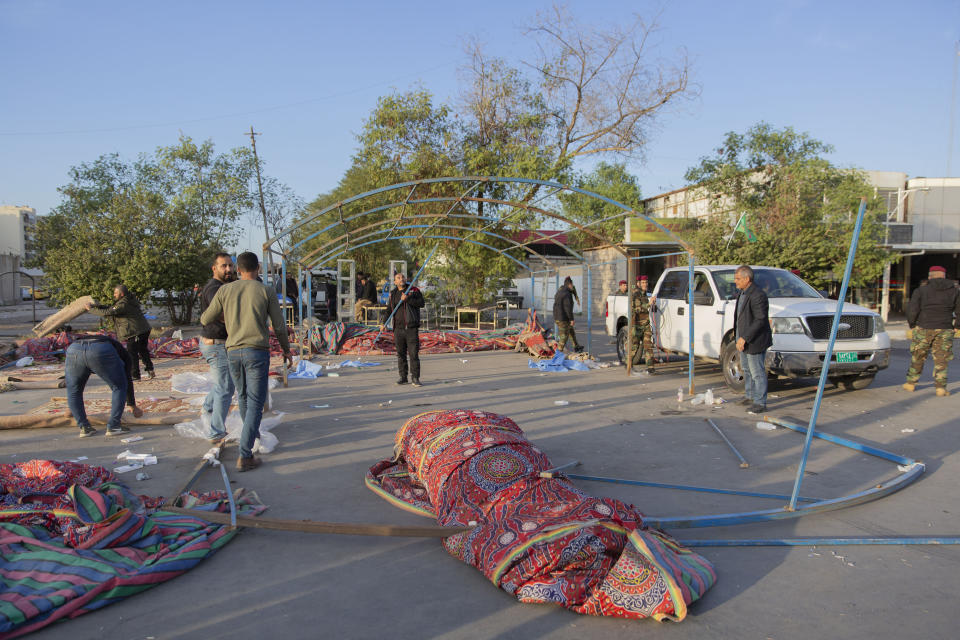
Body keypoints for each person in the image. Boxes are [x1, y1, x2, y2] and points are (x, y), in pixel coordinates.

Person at [201, 252, 293, 472]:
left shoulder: (224, 290)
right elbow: (279, 326)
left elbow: (205, 318)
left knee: (242, 397)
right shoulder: (265, 290)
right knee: (255, 403)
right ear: (258, 269)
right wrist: (286, 350)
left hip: (232, 351)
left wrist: (230, 315)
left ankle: (250, 437)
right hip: (256, 351)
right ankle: (245, 454)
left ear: (238, 270)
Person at [65, 333, 143, 437]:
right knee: (119, 386)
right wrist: (132, 406)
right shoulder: (122, 353)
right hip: (100, 350)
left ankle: (85, 428)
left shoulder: (82, 343)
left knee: (74, 390)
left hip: (73, 349)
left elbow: (72, 382)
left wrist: (73, 408)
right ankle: (114, 426)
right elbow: (126, 379)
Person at [903, 266, 960, 396]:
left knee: (918, 356)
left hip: (924, 327)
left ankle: (911, 383)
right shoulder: (955, 291)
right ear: (944, 276)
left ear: (930, 276)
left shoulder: (921, 290)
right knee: (942, 359)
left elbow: (912, 309)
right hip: (945, 328)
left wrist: (912, 324)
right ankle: (940, 388)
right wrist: (957, 325)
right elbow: (959, 310)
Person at [199, 252, 237, 442]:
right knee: (225, 387)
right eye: (224, 266)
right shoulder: (214, 288)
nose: (229, 269)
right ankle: (216, 432)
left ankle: (207, 408)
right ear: (214, 268)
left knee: (223, 384)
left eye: (231, 265)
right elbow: (221, 313)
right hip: (216, 344)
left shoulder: (224, 286)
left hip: (220, 343)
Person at [87, 285, 155, 381]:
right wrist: (98, 306)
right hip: (142, 329)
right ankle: (150, 369)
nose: (114, 295)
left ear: (121, 294)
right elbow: (111, 308)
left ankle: (135, 375)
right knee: (143, 350)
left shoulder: (124, 304)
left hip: (136, 331)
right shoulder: (126, 300)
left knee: (132, 353)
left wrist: (90, 309)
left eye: (116, 293)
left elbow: (108, 312)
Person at [733, 265, 772, 414]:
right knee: (747, 369)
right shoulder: (743, 293)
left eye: (737, 279)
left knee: (757, 372)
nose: (735, 282)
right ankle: (749, 396)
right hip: (742, 338)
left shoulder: (757, 295)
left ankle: (760, 402)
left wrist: (745, 338)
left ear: (747, 279)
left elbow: (760, 319)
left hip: (754, 340)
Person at [386, 271, 425, 386]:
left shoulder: (413, 290)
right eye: (398, 277)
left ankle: (415, 378)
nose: (401, 279)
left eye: (403, 277)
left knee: (413, 354)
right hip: (398, 329)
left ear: (406, 278)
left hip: (411, 328)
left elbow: (421, 303)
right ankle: (403, 377)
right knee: (401, 354)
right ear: (395, 281)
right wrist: (383, 323)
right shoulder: (393, 293)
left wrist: (408, 299)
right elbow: (389, 310)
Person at [631, 275, 657, 374]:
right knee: (635, 346)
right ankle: (628, 363)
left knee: (648, 346)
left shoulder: (644, 293)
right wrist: (649, 304)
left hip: (645, 324)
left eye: (646, 282)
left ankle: (650, 367)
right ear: (638, 284)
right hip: (637, 325)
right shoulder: (636, 294)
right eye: (643, 283)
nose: (645, 284)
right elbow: (637, 309)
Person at [553, 276, 583, 353]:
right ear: (569, 285)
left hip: (557, 317)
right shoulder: (567, 294)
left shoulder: (559, 291)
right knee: (564, 337)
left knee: (571, 331)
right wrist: (571, 319)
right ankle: (558, 354)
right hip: (563, 319)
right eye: (572, 285)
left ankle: (576, 346)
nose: (572, 286)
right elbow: (568, 308)